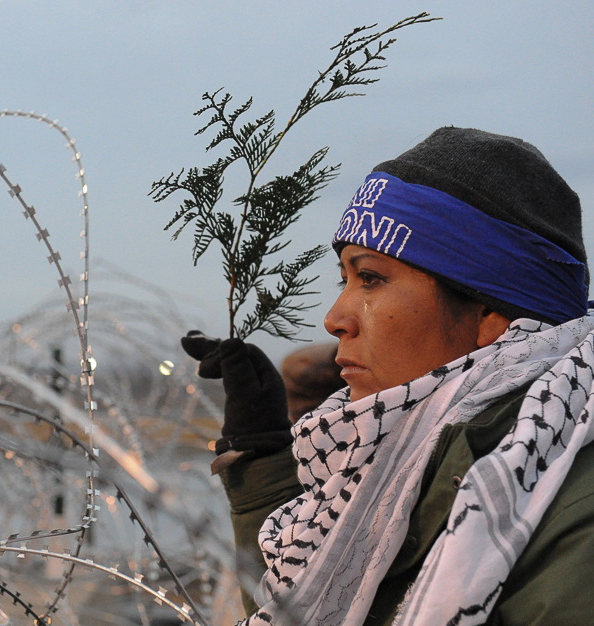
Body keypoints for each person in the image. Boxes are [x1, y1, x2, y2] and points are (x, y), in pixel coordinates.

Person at [183, 127, 594, 625]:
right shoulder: (389, 466)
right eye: (345, 278)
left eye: (371, 278)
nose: (335, 318)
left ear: (489, 313)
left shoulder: (567, 513)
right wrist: (265, 466)